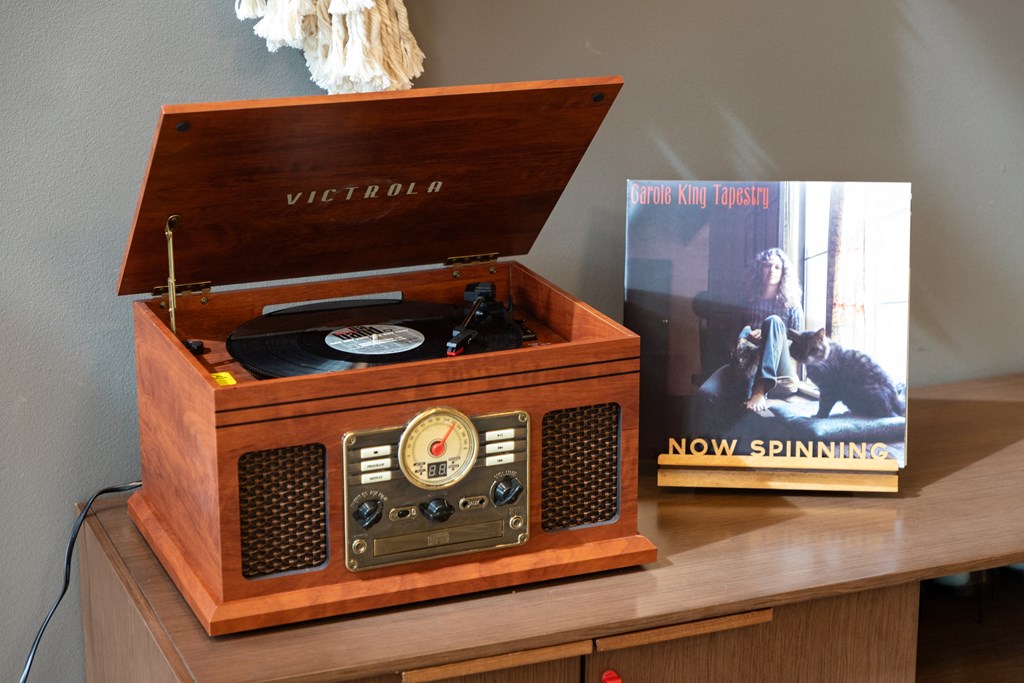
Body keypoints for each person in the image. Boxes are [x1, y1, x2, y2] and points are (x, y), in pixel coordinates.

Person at [737, 247, 803, 412]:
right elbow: (737, 339)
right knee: (708, 391)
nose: (771, 271)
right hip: (750, 364)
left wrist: (770, 339)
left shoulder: (792, 305)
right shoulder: (749, 301)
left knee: (773, 321)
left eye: (777, 267)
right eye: (767, 266)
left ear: (783, 272)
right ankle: (750, 388)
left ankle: (760, 389)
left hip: (781, 373)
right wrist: (748, 336)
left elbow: (798, 347)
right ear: (760, 269)